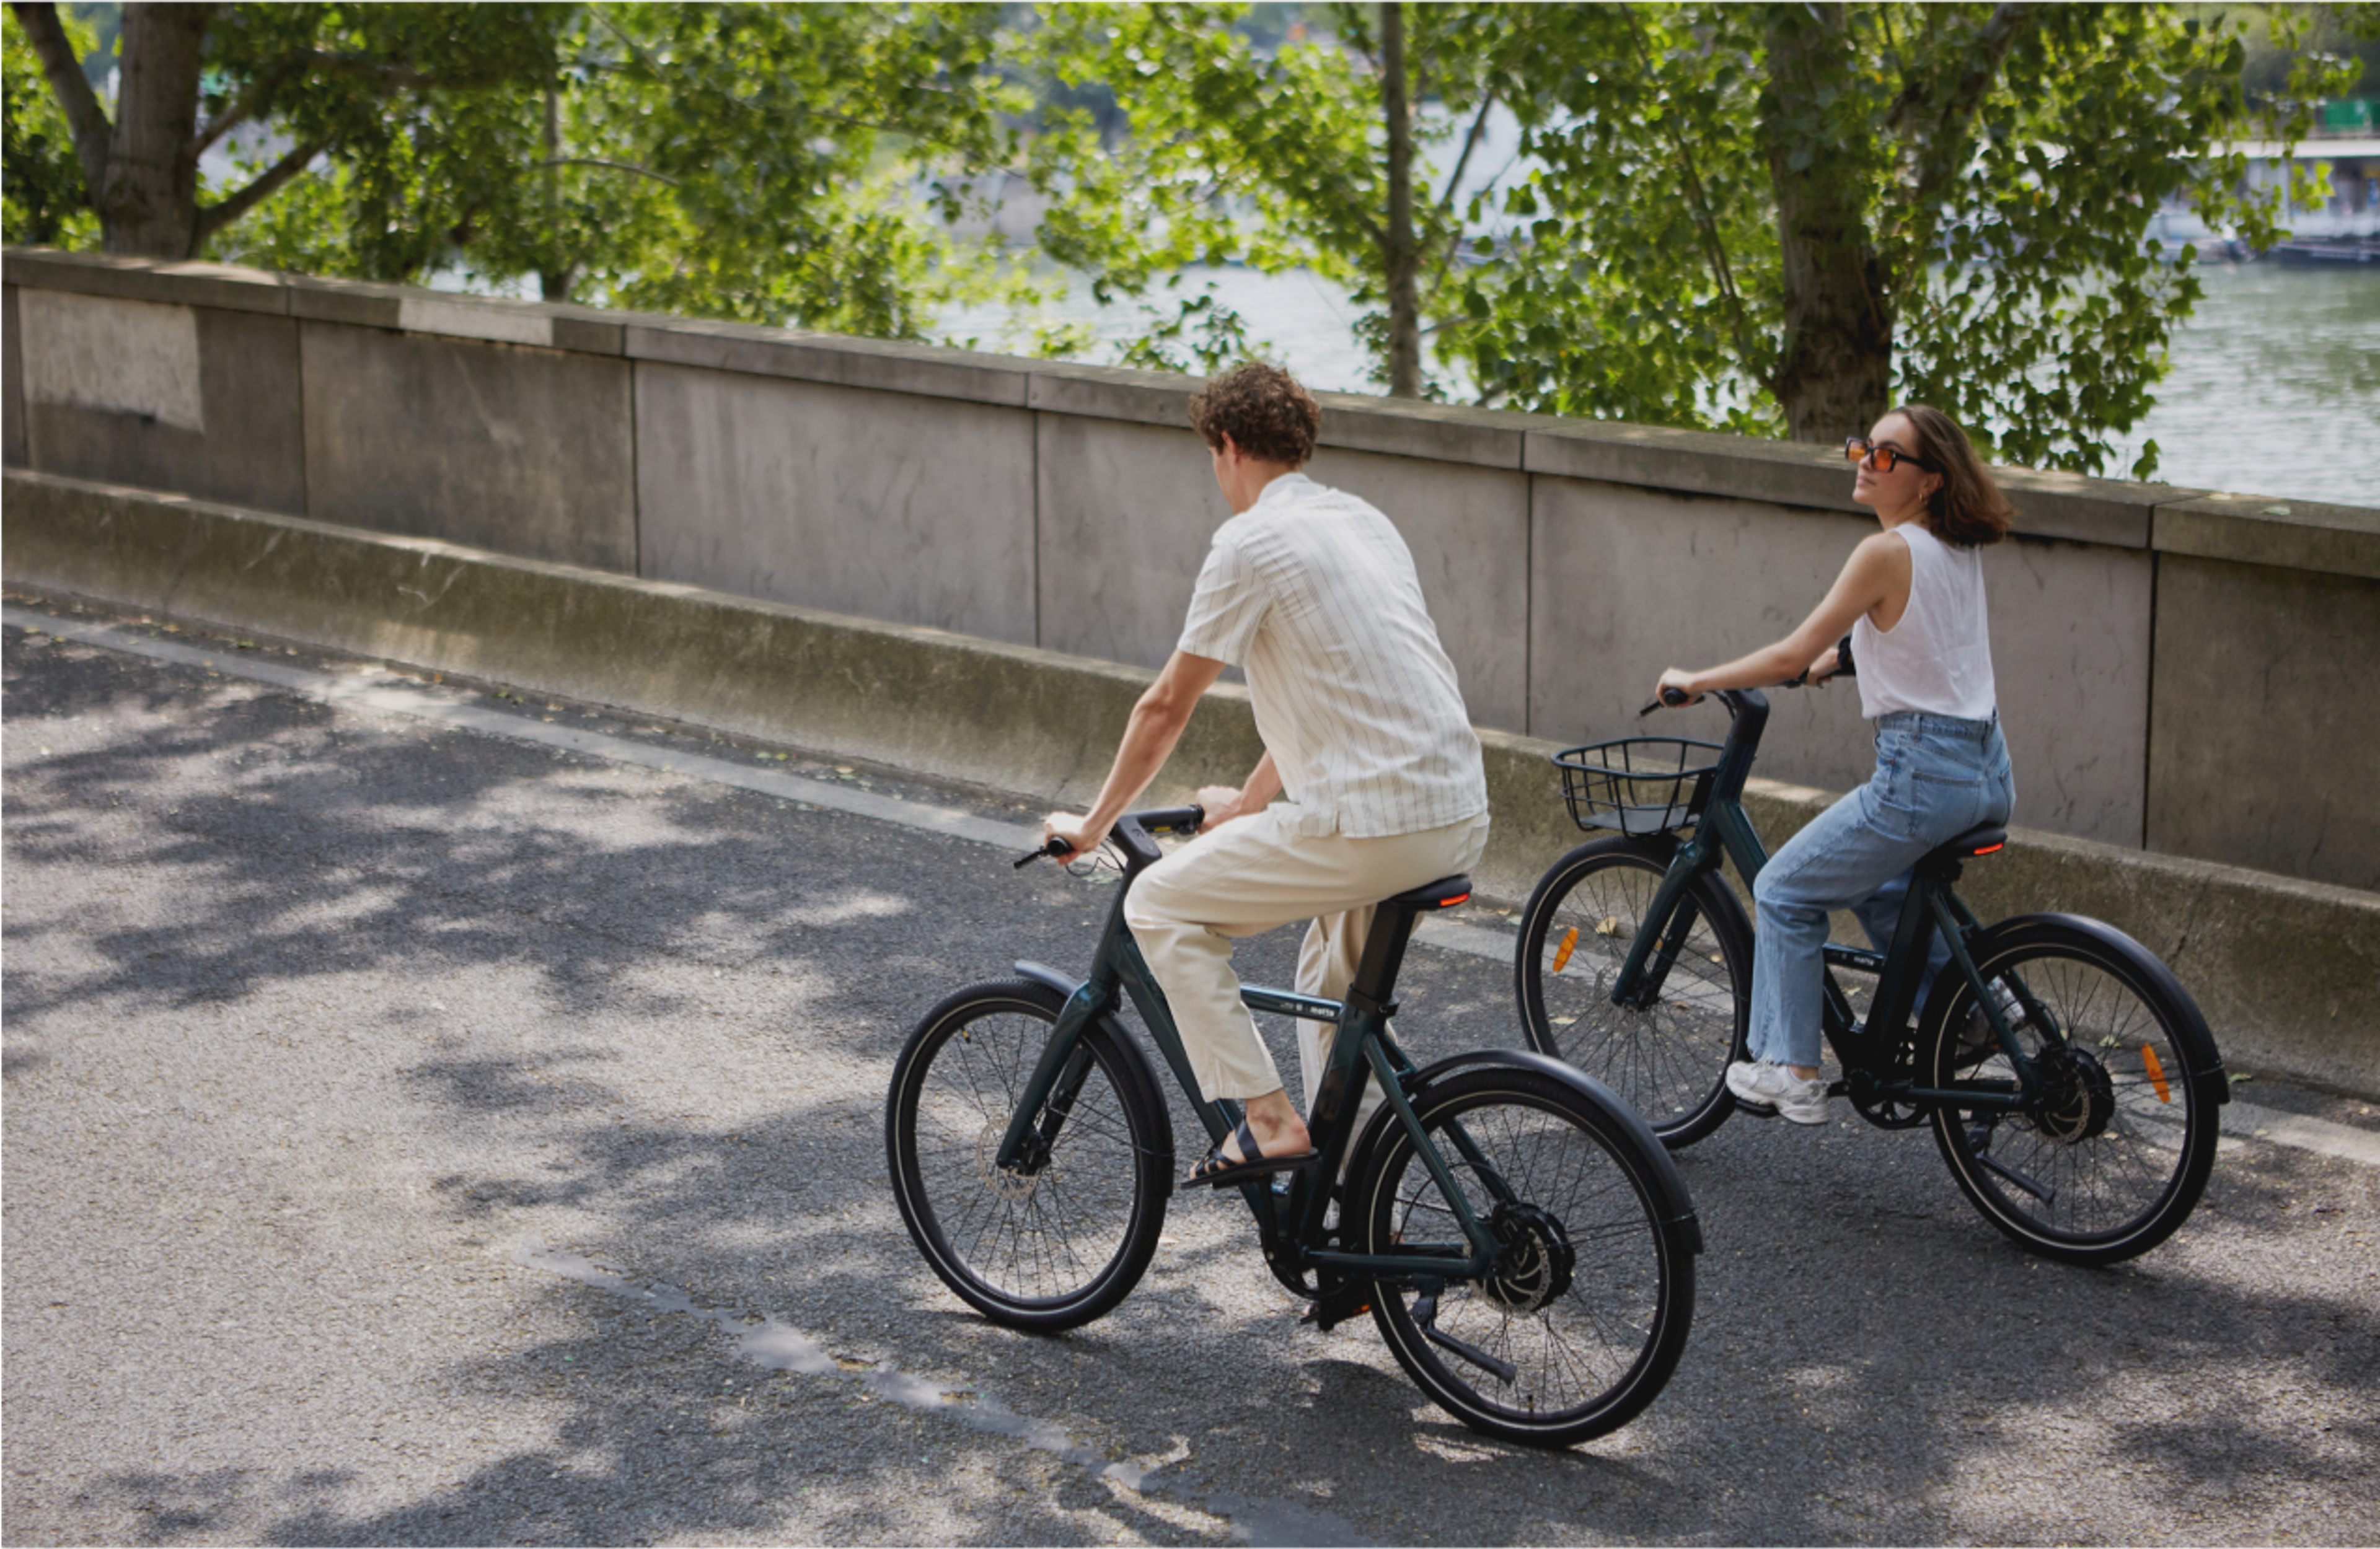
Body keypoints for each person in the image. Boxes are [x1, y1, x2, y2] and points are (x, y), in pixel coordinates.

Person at [1041, 361, 1490, 1187]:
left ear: (1229, 446)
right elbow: (1345, 685)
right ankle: (1352, 1205)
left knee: (1157, 904)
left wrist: (1094, 826)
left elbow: (1166, 707)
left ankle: (1268, 1119)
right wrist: (1248, 804)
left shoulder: (1249, 541)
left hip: (1371, 824)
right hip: (1454, 809)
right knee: (1330, 987)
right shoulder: (1363, 521)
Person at [1654, 404, 2017, 1126]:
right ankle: (1980, 1009)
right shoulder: (1955, 547)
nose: (1864, 460)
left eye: (1887, 455)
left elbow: (1787, 653)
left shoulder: (1882, 552)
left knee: (1785, 889)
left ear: (1928, 482)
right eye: (1864, 446)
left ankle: (1794, 1070)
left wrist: (1698, 679)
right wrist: (1844, 661)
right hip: (1987, 771)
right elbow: (1925, 636)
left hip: (1922, 775)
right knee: (1881, 884)